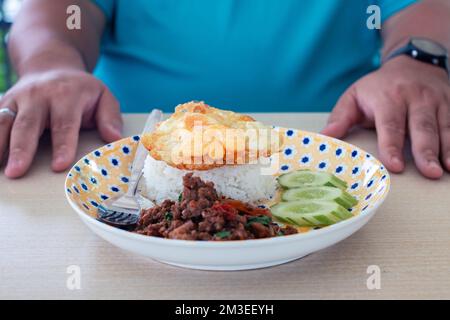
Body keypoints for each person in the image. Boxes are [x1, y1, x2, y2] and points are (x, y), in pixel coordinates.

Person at [0, 0, 449, 179]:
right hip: (124, 157)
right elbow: (56, 14)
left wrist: (418, 60)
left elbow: (423, 11)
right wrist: (49, 66)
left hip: (344, 153)